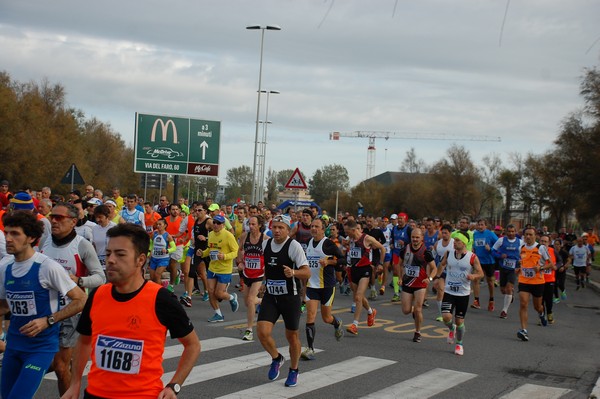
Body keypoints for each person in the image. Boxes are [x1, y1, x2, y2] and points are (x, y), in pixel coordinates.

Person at [61, 223, 201, 399]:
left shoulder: (160, 299)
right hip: (95, 394)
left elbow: (193, 345)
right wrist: (75, 383)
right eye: (109, 253)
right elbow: (84, 341)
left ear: (140, 260)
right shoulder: (98, 295)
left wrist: (174, 385)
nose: (111, 260)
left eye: (120, 254)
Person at [0, 211, 86, 399]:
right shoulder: (5, 267)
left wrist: (48, 320)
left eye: (15, 234)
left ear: (31, 237)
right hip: (14, 345)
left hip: (40, 348)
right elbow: (4, 306)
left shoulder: (47, 267)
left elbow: (81, 299)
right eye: (6, 233)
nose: (8, 238)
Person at [40, 202, 106, 395]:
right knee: (47, 361)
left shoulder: (82, 245)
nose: (54, 221)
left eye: (59, 218)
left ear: (73, 222)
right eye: (53, 217)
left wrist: (79, 280)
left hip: (71, 310)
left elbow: (100, 277)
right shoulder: (44, 242)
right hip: (45, 309)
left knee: (61, 368)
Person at [256, 215, 310, 387]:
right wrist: (264, 282)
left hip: (290, 297)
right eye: (275, 227)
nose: (277, 230)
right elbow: (269, 267)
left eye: (281, 227)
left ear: (288, 230)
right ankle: (276, 358)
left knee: (292, 336)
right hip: (271, 296)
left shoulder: (293, 246)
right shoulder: (266, 244)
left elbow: (307, 272)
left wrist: (293, 273)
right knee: (262, 332)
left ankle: (294, 370)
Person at [300, 217, 346, 360]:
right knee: (310, 316)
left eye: (317, 226)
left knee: (326, 318)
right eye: (312, 226)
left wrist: (329, 261)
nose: (313, 228)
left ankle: (337, 323)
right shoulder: (308, 243)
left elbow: (344, 260)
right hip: (311, 286)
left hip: (326, 286)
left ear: (322, 229)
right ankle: (310, 349)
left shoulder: (328, 244)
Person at [436, 232, 484, 356]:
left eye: (457, 240)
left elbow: (481, 273)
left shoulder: (472, 257)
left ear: (463, 243)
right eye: (454, 240)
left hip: (463, 293)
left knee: (459, 321)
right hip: (449, 291)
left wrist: (474, 275)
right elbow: (441, 265)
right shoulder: (449, 253)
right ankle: (451, 329)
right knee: (446, 316)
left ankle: (459, 343)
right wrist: (437, 277)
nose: (454, 242)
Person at [344, 220, 385, 336]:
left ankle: (355, 325)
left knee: (358, 297)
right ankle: (371, 311)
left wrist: (380, 264)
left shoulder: (367, 239)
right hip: (353, 269)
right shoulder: (350, 239)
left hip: (365, 270)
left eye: (348, 232)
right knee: (359, 296)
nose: (347, 234)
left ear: (353, 230)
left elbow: (382, 248)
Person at [399, 228, 437, 343]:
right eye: (413, 237)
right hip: (407, 282)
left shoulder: (426, 252)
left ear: (422, 238)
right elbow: (400, 264)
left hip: (420, 283)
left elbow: (434, 268)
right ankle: (413, 310)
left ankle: (417, 332)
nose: (415, 239)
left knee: (418, 309)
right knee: (405, 310)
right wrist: (400, 277)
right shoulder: (405, 249)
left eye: (417, 237)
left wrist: (429, 278)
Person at [516, 227, 553, 341]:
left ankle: (541, 314)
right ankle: (524, 330)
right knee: (523, 303)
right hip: (524, 280)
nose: (528, 237)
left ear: (535, 236)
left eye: (530, 235)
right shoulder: (521, 247)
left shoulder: (541, 248)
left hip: (537, 281)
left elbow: (551, 264)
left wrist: (541, 267)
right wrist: (519, 267)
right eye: (526, 234)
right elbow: (521, 261)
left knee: (537, 306)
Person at [200, 214, 240, 322]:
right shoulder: (211, 234)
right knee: (210, 291)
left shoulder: (228, 236)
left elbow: (236, 251)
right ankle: (218, 314)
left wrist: (225, 256)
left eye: (218, 223)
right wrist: (202, 253)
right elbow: (210, 249)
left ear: (223, 225)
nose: (216, 225)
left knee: (219, 293)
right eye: (214, 222)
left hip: (224, 269)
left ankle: (232, 298)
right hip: (212, 268)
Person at [237, 214, 269, 341]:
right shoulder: (245, 236)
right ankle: (264, 300)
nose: (250, 226)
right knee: (247, 302)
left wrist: (265, 279)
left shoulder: (265, 239)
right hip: (247, 273)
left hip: (259, 274)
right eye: (249, 224)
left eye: (253, 224)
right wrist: (240, 261)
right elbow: (239, 250)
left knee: (250, 300)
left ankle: (249, 330)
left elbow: (269, 257)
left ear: (260, 225)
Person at [492, 224, 522, 319]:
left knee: (508, 288)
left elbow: (524, 254)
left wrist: (521, 262)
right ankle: (510, 294)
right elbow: (493, 251)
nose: (511, 233)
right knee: (503, 290)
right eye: (509, 231)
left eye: (513, 231)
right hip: (503, 267)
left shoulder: (520, 242)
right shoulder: (501, 240)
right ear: (506, 232)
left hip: (513, 268)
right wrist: (500, 256)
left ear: (515, 232)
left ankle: (504, 311)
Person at [471, 219, 499, 311]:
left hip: (489, 261)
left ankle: (491, 300)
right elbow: (474, 245)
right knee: (476, 279)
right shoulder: (475, 234)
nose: (480, 226)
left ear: (486, 226)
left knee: (490, 282)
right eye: (478, 225)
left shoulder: (490, 234)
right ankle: (476, 300)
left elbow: (499, 244)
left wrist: (490, 248)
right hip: (478, 261)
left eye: (482, 225)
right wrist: (473, 250)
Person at [432, 224, 454, 322]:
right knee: (440, 290)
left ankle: (450, 310)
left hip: (452, 272)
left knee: (450, 293)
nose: (444, 235)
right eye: (443, 232)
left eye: (446, 233)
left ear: (450, 233)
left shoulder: (454, 244)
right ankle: (441, 314)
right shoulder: (438, 244)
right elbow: (431, 257)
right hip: (441, 271)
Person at [390, 213, 412, 302]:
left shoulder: (408, 229)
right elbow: (392, 238)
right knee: (395, 269)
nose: (399, 220)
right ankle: (396, 293)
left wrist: (405, 244)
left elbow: (413, 242)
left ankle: (405, 291)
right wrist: (391, 244)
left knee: (403, 272)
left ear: (405, 220)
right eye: (398, 218)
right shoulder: (394, 228)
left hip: (405, 253)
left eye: (401, 218)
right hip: (396, 253)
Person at [148, 218, 176, 285]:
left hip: (163, 259)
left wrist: (167, 250)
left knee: (157, 275)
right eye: (157, 224)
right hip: (154, 258)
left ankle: (159, 293)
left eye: (160, 224)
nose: (158, 226)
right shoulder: (154, 234)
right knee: (152, 277)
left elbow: (174, 247)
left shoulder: (167, 236)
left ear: (165, 225)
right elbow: (151, 244)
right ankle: (161, 287)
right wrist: (149, 252)